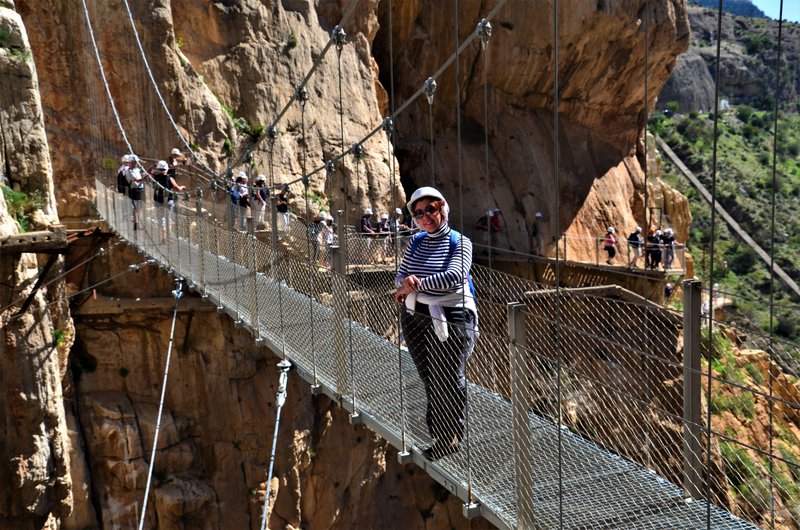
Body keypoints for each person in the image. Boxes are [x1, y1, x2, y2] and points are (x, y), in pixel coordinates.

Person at [394, 186, 478, 460]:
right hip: (415, 317)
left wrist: (412, 287)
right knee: (430, 378)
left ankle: (452, 436)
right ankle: (439, 435)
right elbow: (400, 276)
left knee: (449, 378)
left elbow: (454, 277)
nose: (424, 217)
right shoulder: (416, 241)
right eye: (418, 213)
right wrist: (406, 286)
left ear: (442, 207)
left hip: (452, 318)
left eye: (430, 209)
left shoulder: (460, 242)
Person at [152, 159, 186, 242]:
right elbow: (177, 189)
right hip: (168, 201)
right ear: (166, 169)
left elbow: (149, 171)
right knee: (168, 219)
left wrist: (154, 166)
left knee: (161, 219)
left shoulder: (154, 177)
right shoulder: (170, 178)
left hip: (158, 200)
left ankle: (164, 238)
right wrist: (182, 187)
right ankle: (169, 237)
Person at [124, 154, 145, 230]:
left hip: (140, 190)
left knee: (139, 208)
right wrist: (145, 177)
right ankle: (136, 224)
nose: (137, 163)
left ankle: (137, 222)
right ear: (131, 162)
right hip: (135, 190)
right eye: (135, 162)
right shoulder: (129, 171)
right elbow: (137, 180)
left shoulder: (137, 169)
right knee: (136, 208)